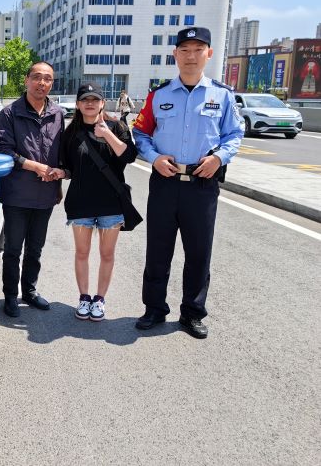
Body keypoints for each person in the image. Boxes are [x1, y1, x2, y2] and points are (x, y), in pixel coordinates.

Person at [132, 27, 244, 339]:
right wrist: (153, 157)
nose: (191, 56)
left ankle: (192, 313)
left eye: (198, 50)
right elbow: (140, 133)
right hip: (165, 183)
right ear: (175, 55)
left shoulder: (222, 95)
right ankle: (154, 309)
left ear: (209, 54)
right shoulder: (159, 95)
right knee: (158, 251)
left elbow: (234, 134)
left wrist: (219, 158)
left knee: (198, 253)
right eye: (184, 50)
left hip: (201, 185)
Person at [50, 82, 137, 321]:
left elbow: (129, 156)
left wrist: (107, 134)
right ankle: (84, 298)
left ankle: (99, 299)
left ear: (102, 103)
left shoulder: (117, 126)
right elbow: (68, 167)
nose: (90, 103)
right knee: (82, 252)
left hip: (111, 204)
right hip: (81, 203)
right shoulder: (70, 133)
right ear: (78, 105)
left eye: (95, 99)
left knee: (107, 254)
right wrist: (61, 173)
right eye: (85, 100)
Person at [0, 61, 66, 317]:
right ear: (26, 80)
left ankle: (30, 291)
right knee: (13, 249)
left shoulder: (57, 113)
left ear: (52, 83)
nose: (41, 83)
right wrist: (34, 166)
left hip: (45, 195)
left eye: (47, 79)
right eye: (37, 77)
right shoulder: (9, 113)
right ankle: (10, 296)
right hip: (17, 195)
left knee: (35, 248)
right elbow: (3, 151)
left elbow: (61, 152)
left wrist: (59, 179)